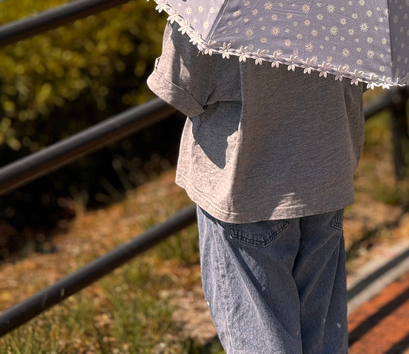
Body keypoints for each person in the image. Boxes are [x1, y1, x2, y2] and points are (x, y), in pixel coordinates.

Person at [147, 20, 365, 354]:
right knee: (322, 342)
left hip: (246, 185)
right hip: (325, 173)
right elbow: (362, 78)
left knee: (260, 341)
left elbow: (180, 86)